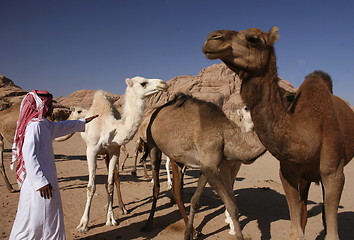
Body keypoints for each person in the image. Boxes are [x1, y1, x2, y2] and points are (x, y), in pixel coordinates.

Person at [9, 90, 98, 240]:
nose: (52, 108)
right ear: (41, 105)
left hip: (45, 178)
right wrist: (40, 182)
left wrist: (82, 122)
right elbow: (29, 156)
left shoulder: (43, 124)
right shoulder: (34, 127)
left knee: (47, 217)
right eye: (50, 105)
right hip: (38, 184)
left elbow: (61, 127)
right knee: (36, 219)